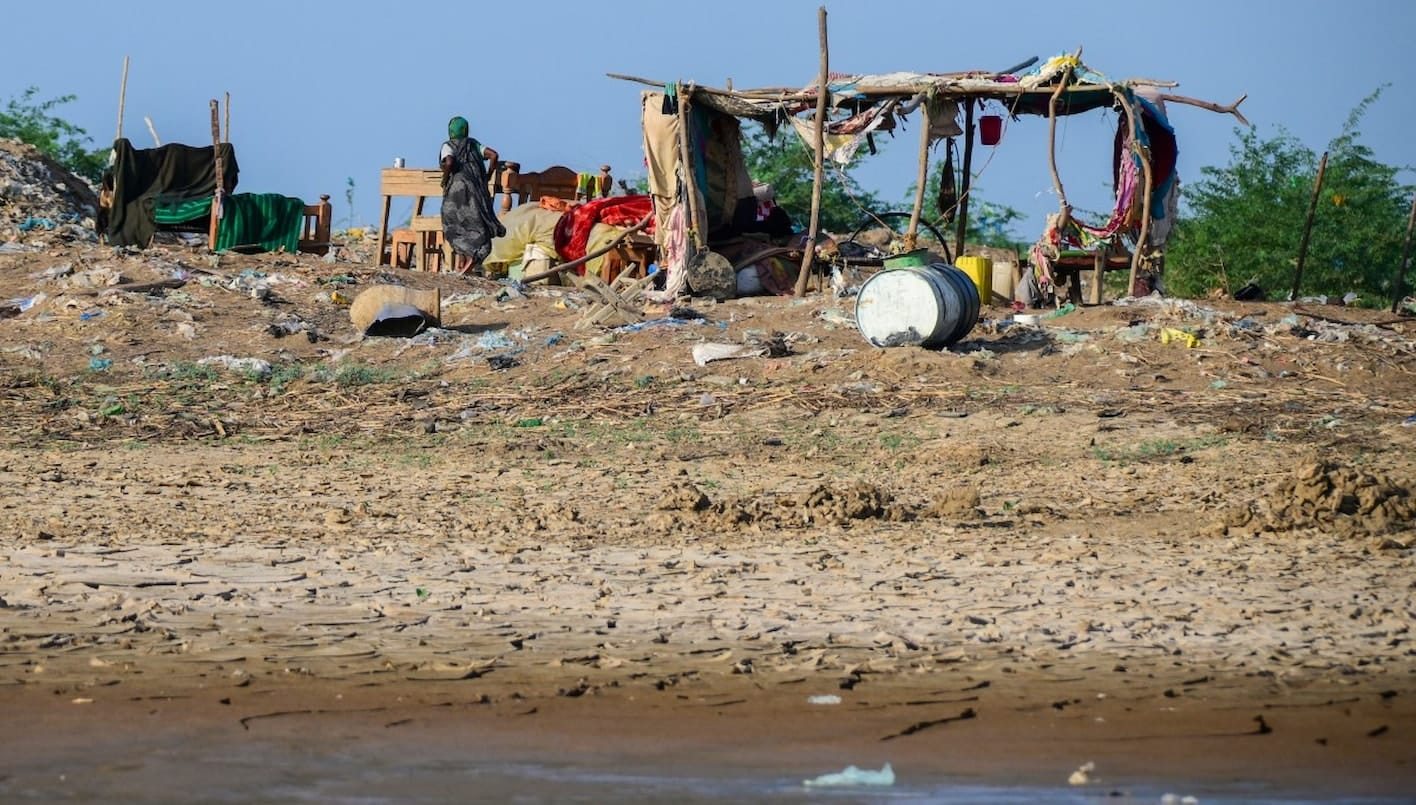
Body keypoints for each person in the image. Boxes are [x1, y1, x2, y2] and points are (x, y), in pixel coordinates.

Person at [439, 116, 505, 274]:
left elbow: (448, 162)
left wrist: (444, 179)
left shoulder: (448, 146)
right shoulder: (474, 144)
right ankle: (462, 264)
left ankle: (470, 258)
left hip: (457, 192)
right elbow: (493, 155)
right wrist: (488, 175)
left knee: (452, 223)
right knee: (476, 223)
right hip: (477, 191)